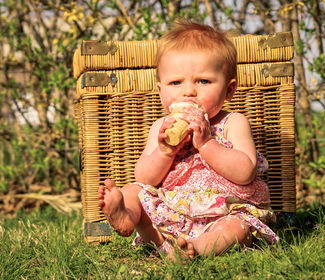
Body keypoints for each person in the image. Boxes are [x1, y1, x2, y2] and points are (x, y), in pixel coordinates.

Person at [98, 19, 279, 259]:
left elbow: (245, 172)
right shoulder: (160, 128)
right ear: (161, 90)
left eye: (203, 81)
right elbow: (145, 177)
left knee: (237, 227)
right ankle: (128, 217)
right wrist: (164, 151)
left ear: (229, 90)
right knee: (134, 190)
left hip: (223, 212)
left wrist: (206, 144)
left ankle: (198, 249)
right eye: (176, 82)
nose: (189, 91)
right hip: (171, 213)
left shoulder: (233, 123)